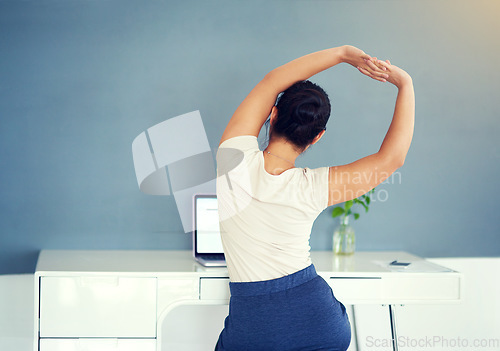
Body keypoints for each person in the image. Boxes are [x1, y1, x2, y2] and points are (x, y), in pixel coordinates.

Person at [215, 45, 415, 351]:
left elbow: (271, 82)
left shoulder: (232, 158)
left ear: (273, 114)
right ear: (318, 135)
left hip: (253, 330)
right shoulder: (315, 186)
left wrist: (343, 54)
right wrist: (405, 84)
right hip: (319, 324)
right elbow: (392, 158)